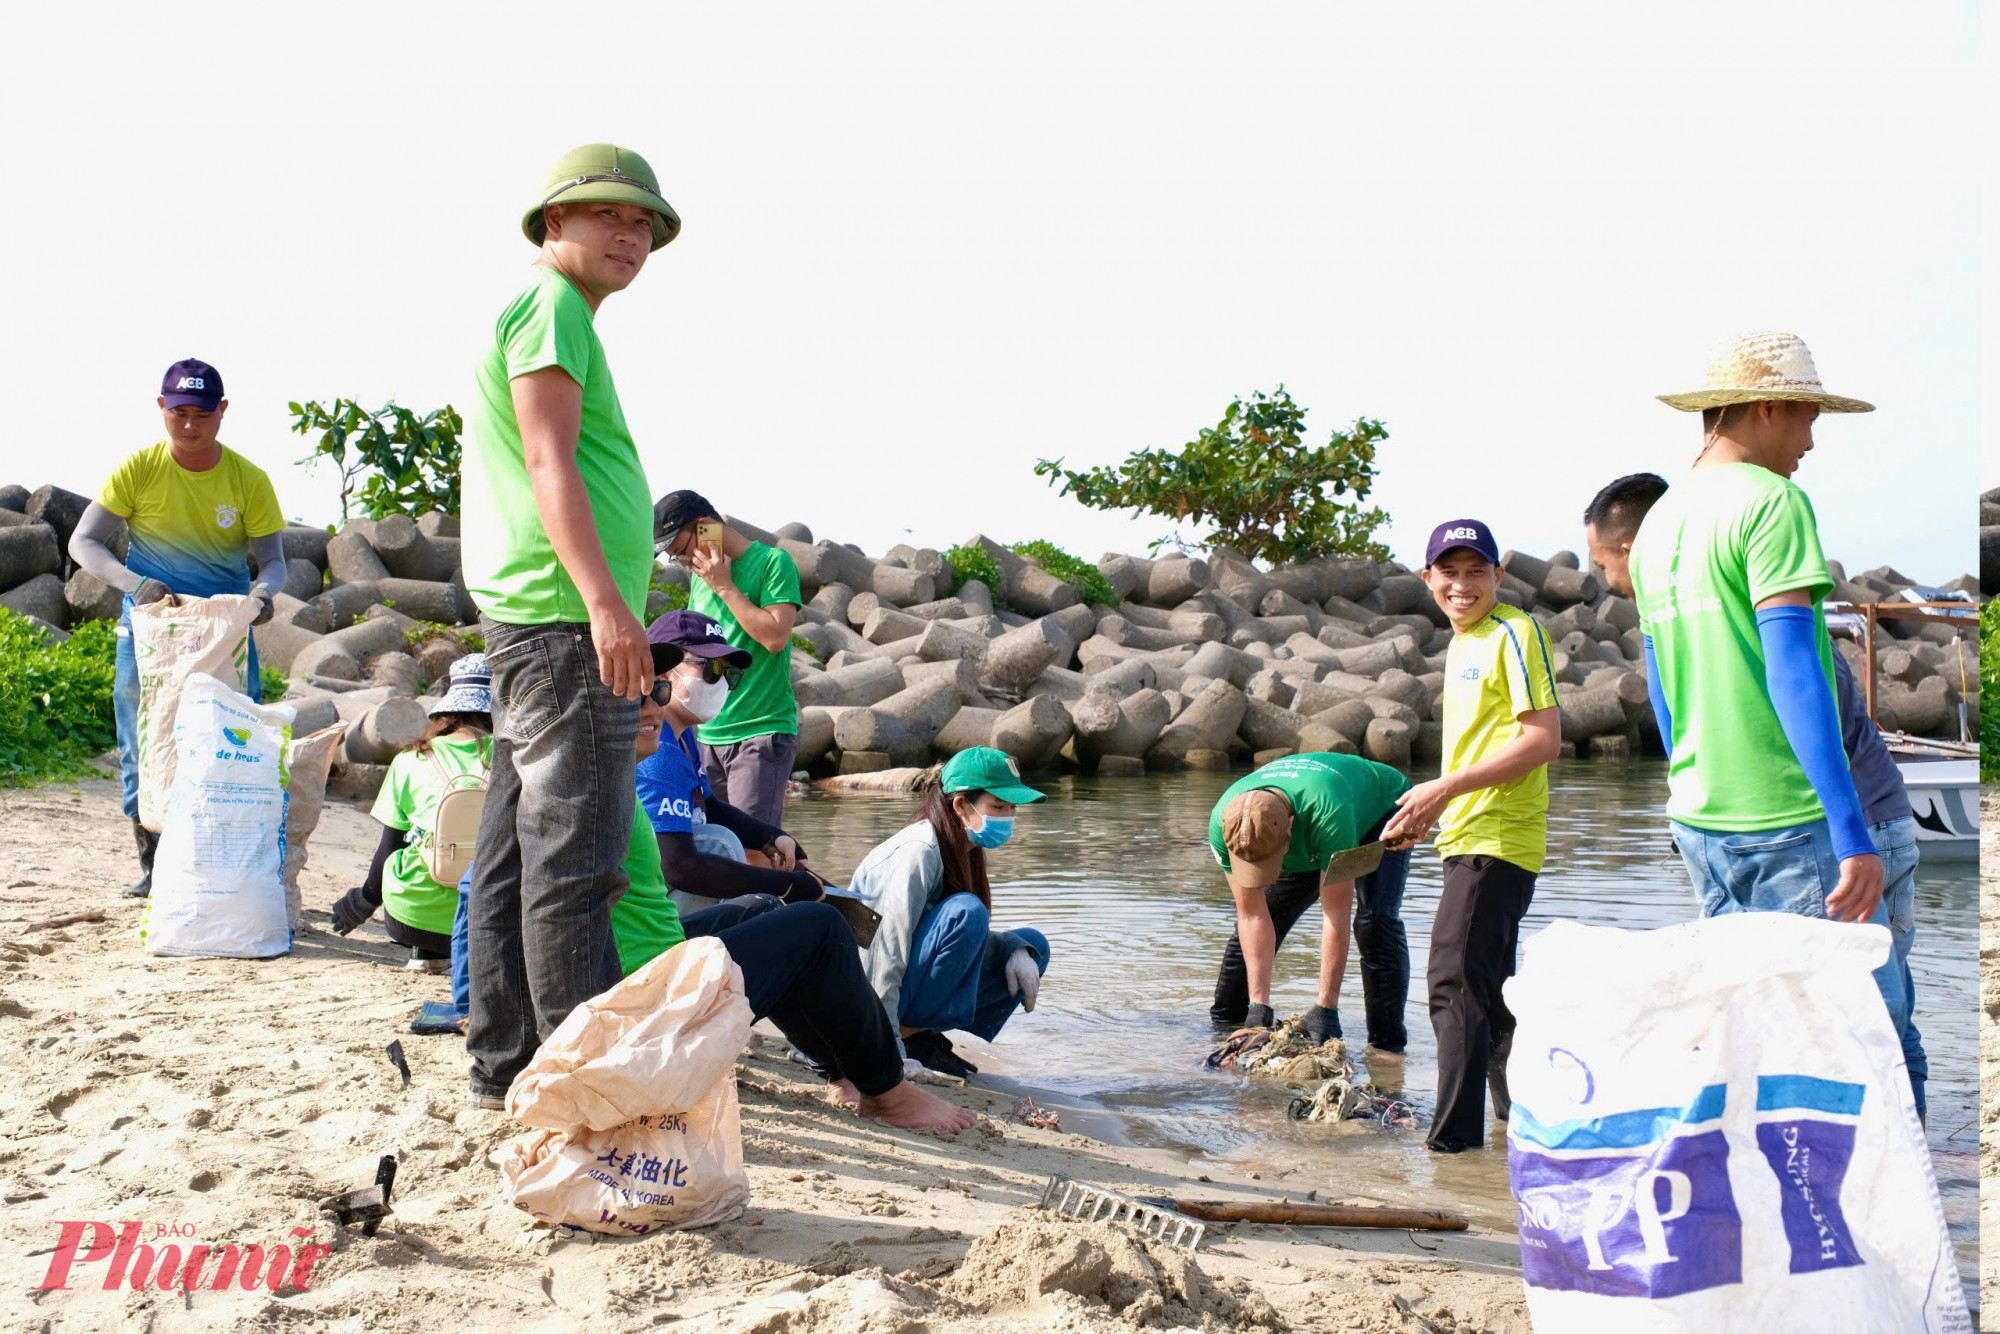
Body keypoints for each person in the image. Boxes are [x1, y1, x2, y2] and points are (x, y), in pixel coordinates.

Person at [1586, 468, 1928, 1118]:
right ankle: (1905, 1178)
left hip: (1841, 824)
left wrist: (1848, 832)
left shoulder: (1724, 571)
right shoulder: (1701, 591)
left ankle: (1894, 1181)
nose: (1609, 585)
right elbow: (1679, 711)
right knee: (1872, 1021)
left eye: (1605, 567)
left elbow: (1797, 686)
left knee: (1860, 1029)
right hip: (1842, 819)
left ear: (1631, 546)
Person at [460, 144, 680, 1110]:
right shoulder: (550, 307)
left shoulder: (556, 313)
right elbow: (552, 463)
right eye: (608, 217)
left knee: (514, 845)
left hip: (540, 616)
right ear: (556, 224)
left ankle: (504, 1063)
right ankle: (575, 1089)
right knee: (577, 859)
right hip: (559, 618)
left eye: (643, 225)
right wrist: (606, 605)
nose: (630, 235)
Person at [1628, 332, 1909, 1060]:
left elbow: (1663, 683)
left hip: (1702, 821)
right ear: (1768, 407)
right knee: (1864, 1048)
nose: (1812, 440)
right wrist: (1853, 834)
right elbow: (1793, 669)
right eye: (1808, 417)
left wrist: (1682, 785)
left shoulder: (1655, 526)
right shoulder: (1775, 502)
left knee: (1757, 1046)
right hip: (1794, 821)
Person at [68, 358, 288, 899]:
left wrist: (263, 597)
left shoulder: (248, 479)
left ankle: (225, 861)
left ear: (223, 412)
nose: (190, 426)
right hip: (150, 631)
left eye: (202, 414)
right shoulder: (139, 470)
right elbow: (83, 542)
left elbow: (275, 563)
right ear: (162, 409)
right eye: (179, 413)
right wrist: (131, 583)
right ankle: (154, 864)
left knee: (231, 740)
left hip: (222, 632)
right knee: (143, 742)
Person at [1382, 518, 1561, 1153]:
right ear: (1427, 578)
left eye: (1475, 571)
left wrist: (1443, 791)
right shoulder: (1463, 643)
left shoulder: (1515, 632)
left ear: (1498, 576)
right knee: (1485, 991)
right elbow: (1476, 752)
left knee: (1451, 983)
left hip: (1499, 837)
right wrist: (1428, 811)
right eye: (1449, 572)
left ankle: (1452, 1145)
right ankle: (1528, 1128)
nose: (1462, 585)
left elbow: (1543, 740)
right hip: (1463, 833)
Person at [846, 748, 1051, 1079]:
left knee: (1030, 945)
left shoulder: (964, 847)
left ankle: (919, 1033)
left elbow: (937, 936)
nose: (1008, 816)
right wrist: (887, 1053)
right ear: (960, 805)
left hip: (902, 982)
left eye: (1012, 808)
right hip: (860, 993)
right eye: (998, 807)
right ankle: (907, 1037)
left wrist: (1010, 950)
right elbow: (883, 954)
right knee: (967, 912)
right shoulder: (918, 852)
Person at [1206, 752, 1414, 1056]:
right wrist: (1258, 1006)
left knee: (1374, 920)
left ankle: (1387, 1047)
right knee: (1269, 914)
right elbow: (1251, 916)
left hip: (1382, 811)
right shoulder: (1223, 823)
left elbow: (1335, 914)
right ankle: (1228, 1023)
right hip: (1311, 828)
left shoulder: (1329, 815)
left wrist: (1325, 1008)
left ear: (1290, 826)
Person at [638, 610, 827, 911]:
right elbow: (679, 866)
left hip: (664, 890)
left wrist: (772, 836)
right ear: (663, 672)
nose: (721, 683)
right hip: (646, 913)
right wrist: (785, 886)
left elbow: (708, 807)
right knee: (722, 846)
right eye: (711, 668)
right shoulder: (657, 753)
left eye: (729, 673)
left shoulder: (682, 735)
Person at [329, 655, 494, 971]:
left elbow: (390, 848)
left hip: (413, 919)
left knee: (410, 850)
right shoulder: (517, 756)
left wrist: (364, 900)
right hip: (489, 920)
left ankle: (428, 954)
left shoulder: (411, 759)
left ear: (447, 710)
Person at [654, 491, 802, 824]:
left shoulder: (772, 563)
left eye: (680, 551)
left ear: (704, 526)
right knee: (715, 841)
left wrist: (724, 585)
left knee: (754, 849)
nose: (683, 562)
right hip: (705, 734)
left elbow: (775, 637)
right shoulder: (701, 580)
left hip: (759, 732)